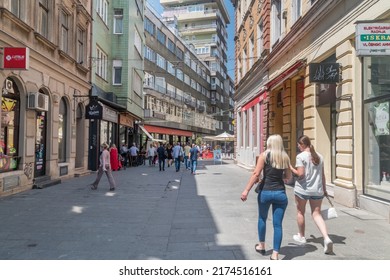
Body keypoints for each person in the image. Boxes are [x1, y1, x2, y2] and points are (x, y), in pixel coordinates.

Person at [241, 134, 291, 260]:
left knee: (262, 219)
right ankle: (275, 254)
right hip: (280, 193)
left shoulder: (264, 155)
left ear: (270, 143)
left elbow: (256, 173)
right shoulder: (285, 157)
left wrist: (246, 190)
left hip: (265, 192)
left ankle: (262, 246)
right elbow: (288, 177)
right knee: (277, 224)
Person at [290, 135, 334, 254]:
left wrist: (290, 167)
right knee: (316, 214)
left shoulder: (300, 156)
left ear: (303, 144)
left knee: (300, 212)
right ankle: (326, 238)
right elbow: (323, 175)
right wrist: (324, 189)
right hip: (317, 189)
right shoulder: (319, 156)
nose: (298, 146)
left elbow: (300, 174)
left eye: (299, 144)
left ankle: (302, 236)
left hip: (303, 189)